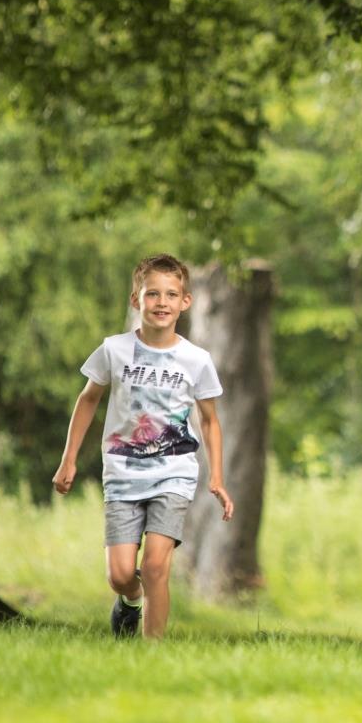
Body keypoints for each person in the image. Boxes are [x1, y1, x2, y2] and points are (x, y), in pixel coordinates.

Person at [54, 254, 234, 639]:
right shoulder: (114, 350)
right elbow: (88, 400)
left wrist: (216, 476)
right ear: (136, 300)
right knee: (120, 574)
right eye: (152, 294)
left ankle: (153, 653)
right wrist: (69, 459)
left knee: (155, 567)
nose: (162, 302)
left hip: (174, 473)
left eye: (171, 294)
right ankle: (130, 601)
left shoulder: (196, 360)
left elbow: (209, 421)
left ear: (186, 302)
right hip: (122, 473)